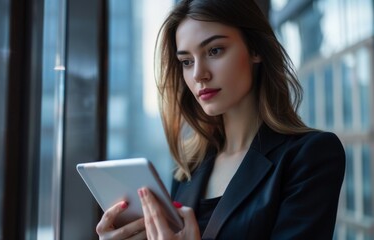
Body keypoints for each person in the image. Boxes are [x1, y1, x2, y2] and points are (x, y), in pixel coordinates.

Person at [96, 0, 346, 239]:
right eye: (186, 61)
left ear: (255, 49)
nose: (198, 74)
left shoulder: (311, 155)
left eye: (214, 51)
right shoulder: (188, 168)